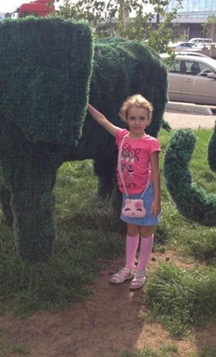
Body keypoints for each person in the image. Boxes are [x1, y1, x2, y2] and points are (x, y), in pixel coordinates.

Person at [87, 95, 161, 290]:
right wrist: (86, 103)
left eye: (142, 118)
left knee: (145, 231)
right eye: (132, 118)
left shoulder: (151, 143)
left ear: (148, 119)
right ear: (126, 118)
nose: (137, 122)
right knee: (131, 230)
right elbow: (103, 120)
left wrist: (157, 199)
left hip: (146, 194)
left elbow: (156, 172)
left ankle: (141, 270)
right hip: (129, 194)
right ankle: (128, 267)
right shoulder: (122, 136)